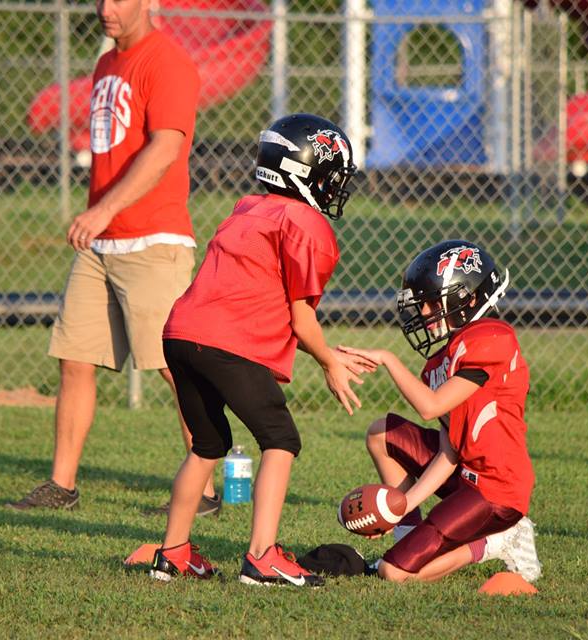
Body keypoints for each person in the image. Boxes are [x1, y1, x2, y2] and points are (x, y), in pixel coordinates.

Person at [7, 0, 221, 515]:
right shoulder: (107, 63)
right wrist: (102, 219)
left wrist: (102, 210)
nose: (107, 8)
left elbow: (165, 147)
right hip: (102, 245)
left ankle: (206, 491)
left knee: (176, 367)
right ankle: (62, 485)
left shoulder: (167, 61)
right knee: (75, 359)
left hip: (152, 242)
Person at [148, 113, 374, 587]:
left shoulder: (250, 206)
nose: (335, 188)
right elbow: (301, 319)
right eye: (331, 177)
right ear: (304, 172)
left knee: (208, 446)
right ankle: (262, 556)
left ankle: (172, 554)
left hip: (179, 334)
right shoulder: (305, 223)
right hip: (227, 344)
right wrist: (331, 361)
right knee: (281, 440)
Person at [338, 240, 542, 583]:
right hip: (463, 473)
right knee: (381, 432)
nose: (425, 313)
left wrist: (389, 359)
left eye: (433, 303)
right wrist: (397, 507)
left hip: (495, 491)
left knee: (393, 572)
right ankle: (407, 537)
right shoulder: (441, 360)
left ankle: (498, 541)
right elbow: (449, 451)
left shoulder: (492, 337)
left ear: (469, 298)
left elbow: (430, 408)